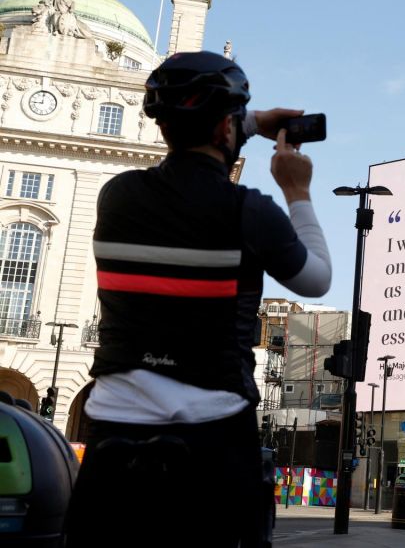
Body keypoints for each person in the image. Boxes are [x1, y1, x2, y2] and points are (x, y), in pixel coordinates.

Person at [64, 51, 331, 547]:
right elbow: (315, 280)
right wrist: (297, 190)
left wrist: (242, 122)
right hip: (214, 434)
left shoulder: (116, 196)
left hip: (113, 433)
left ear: (162, 126)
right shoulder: (249, 211)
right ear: (224, 129)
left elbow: (197, 136)